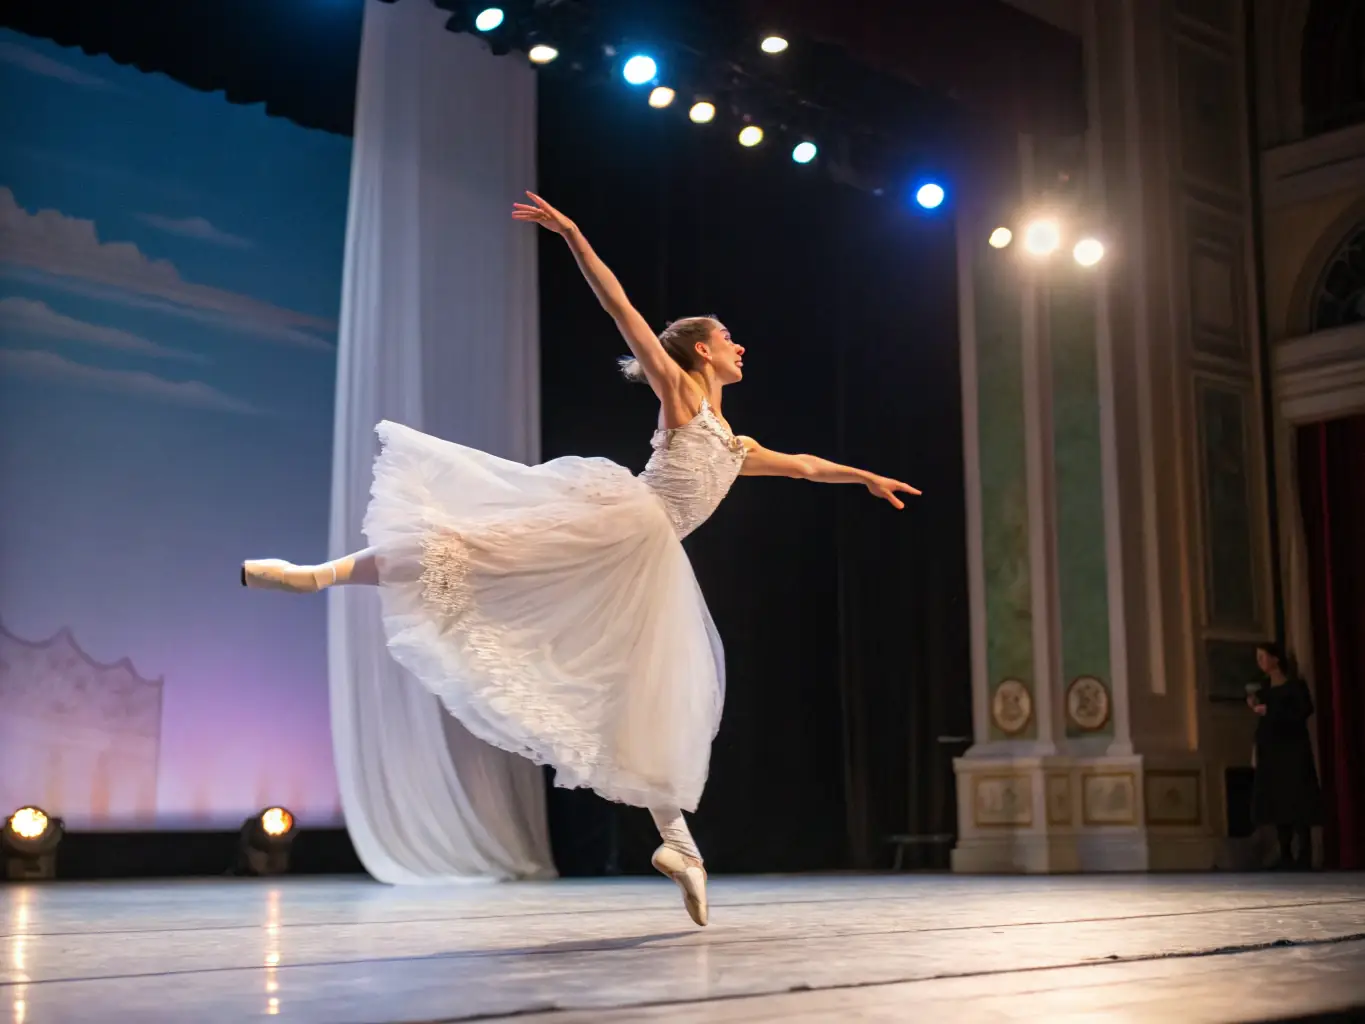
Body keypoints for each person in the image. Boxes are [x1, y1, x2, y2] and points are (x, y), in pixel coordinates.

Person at [241, 192, 920, 925]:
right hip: (618, 525)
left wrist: (863, 477)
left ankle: (678, 846)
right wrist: (569, 233)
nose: (740, 347)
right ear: (700, 351)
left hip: (648, 567)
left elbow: (806, 468)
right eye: (729, 338)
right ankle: (319, 575)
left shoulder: (735, 442)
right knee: (467, 546)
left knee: (649, 696)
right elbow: (618, 306)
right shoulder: (684, 396)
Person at [1247, 642, 1323, 870]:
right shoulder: (1263, 689)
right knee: (1278, 800)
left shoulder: (1295, 686)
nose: (1259, 662)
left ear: (1275, 659)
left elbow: (1303, 711)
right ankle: (1285, 854)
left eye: (1263, 656)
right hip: (1271, 750)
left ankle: (1305, 855)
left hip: (1293, 749)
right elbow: (1262, 723)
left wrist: (1272, 711)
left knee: (1298, 798)